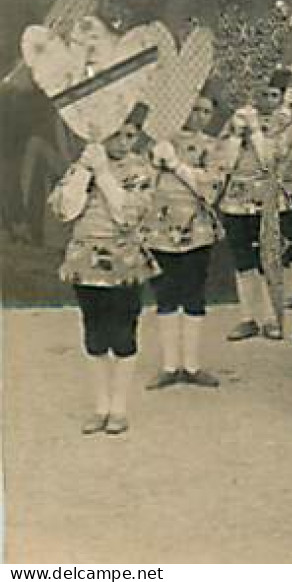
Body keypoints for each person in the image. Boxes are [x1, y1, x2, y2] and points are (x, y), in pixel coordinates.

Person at [52, 111, 159, 435]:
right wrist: (86, 171)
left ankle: (119, 408)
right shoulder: (84, 164)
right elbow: (63, 210)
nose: (124, 142)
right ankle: (100, 407)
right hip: (85, 261)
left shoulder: (141, 168)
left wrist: (103, 173)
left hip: (124, 260)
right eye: (118, 133)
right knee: (94, 333)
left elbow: (128, 214)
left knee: (123, 333)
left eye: (131, 135)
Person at [217, 67, 292, 341]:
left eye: (273, 94)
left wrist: (258, 131)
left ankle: (273, 317)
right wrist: (237, 134)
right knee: (243, 260)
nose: (267, 99)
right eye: (262, 94)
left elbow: (271, 160)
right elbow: (223, 161)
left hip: (270, 198)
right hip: (237, 198)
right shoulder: (238, 120)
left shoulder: (285, 123)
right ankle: (248, 318)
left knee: (271, 257)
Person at [143, 93, 225, 389]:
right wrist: (156, 162)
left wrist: (177, 165)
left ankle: (191, 365)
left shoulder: (214, 147)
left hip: (196, 229)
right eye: (194, 109)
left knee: (193, 293)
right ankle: (169, 365)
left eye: (206, 110)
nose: (199, 115)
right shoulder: (159, 143)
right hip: (159, 229)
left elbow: (210, 188)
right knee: (165, 295)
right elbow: (141, 184)